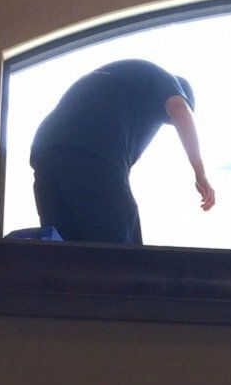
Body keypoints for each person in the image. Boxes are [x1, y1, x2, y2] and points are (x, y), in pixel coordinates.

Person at [29, 58, 215, 245]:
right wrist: (200, 173)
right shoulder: (166, 80)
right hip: (89, 148)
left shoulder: (127, 87)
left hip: (45, 150)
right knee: (120, 247)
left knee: (62, 248)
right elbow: (180, 109)